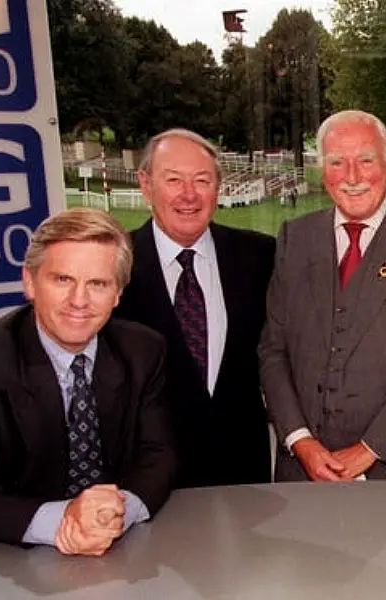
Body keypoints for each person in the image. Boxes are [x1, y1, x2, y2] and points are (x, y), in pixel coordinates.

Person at [0, 208, 176, 554]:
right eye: (62, 280)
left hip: (123, 551)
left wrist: (119, 511)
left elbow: (158, 454)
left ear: (118, 293)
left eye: (98, 284)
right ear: (29, 282)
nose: (79, 301)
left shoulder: (144, 350)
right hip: (9, 558)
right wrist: (64, 520)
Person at [259, 109, 386, 481]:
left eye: (365, 160)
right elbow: (273, 349)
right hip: (301, 472)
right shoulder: (295, 238)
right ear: (323, 172)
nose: (352, 176)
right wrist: (301, 441)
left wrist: (369, 449)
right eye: (337, 162)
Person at [114, 129, 275, 488]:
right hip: (150, 483)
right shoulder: (113, 266)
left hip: (244, 477)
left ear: (218, 187)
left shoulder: (260, 257)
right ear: (145, 184)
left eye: (202, 180)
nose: (189, 195)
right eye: (173, 180)